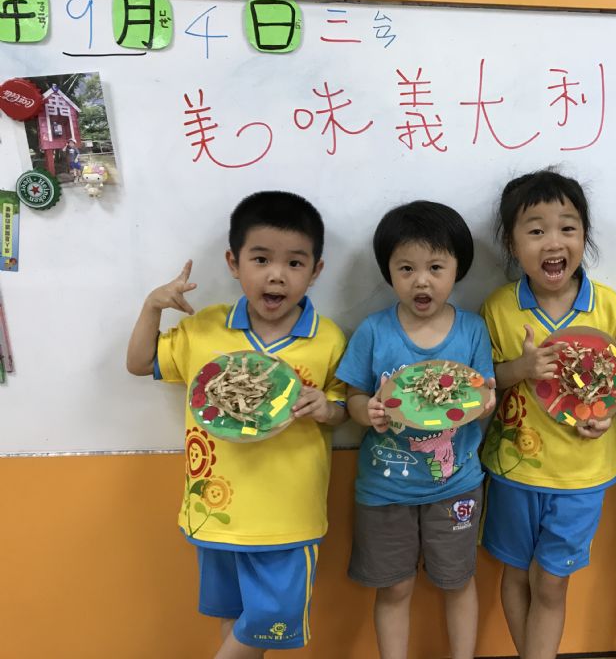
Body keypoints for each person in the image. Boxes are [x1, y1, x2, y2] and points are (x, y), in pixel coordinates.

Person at [126, 191, 347, 659]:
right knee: (234, 614)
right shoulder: (206, 329)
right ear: (234, 262)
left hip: (288, 515)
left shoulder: (326, 338)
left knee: (270, 617)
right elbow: (141, 363)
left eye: (294, 263)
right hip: (214, 507)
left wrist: (326, 408)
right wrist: (152, 306)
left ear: (316, 271)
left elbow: (343, 407)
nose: (276, 275)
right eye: (261, 259)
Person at [479, 170, 616, 659]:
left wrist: (606, 415)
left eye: (568, 227)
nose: (553, 241)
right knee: (515, 573)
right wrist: (520, 368)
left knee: (550, 582)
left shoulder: (606, 305)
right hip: (515, 469)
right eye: (536, 230)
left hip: (582, 474)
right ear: (512, 243)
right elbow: (483, 382)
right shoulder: (499, 308)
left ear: (584, 235)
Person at [335, 201, 496, 659]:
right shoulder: (374, 331)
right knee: (394, 587)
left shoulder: (472, 330)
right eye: (406, 268)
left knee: (457, 581)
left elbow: (486, 393)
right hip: (385, 487)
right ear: (388, 272)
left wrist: (484, 403)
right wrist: (368, 411)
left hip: (456, 484)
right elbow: (352, 399)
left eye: (435, 268)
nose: (421, 281)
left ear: (457, 269)